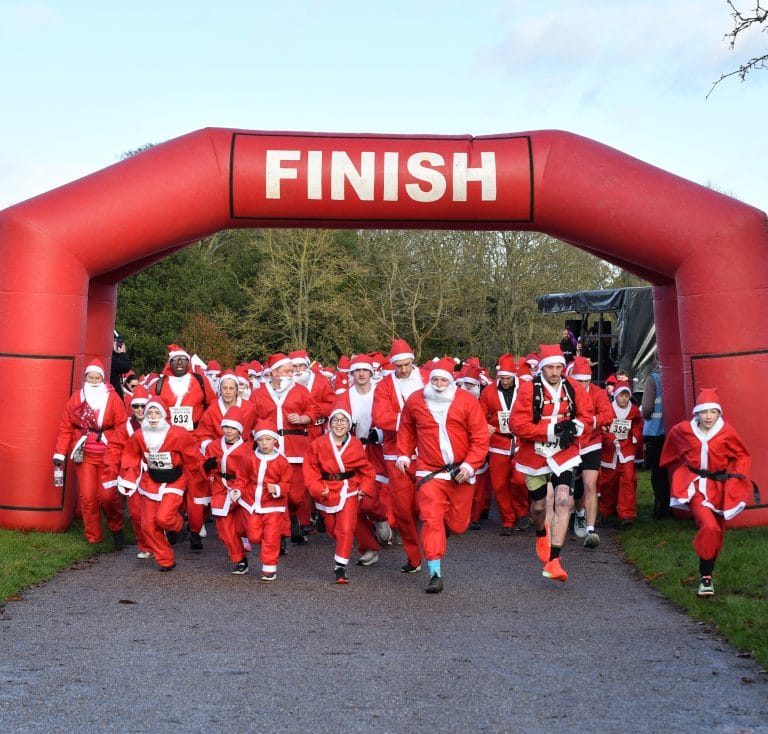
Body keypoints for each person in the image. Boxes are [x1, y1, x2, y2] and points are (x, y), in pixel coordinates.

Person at [396, 357, 490, 593]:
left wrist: (469, 466)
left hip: (461, 471)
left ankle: (444, 534)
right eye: (435, 379)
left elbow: (480, 438)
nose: (438, 384)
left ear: (451, 382)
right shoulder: (416, 400)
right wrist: (404, 454)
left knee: (459, 525)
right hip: (430, 471)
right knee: (431, 519)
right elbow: (406, 426)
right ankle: (435, 572)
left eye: (443, 380)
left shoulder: (467, 402)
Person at [660, 388, 754, 597]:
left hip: (719, 487)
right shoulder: (683, 430)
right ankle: (706, 577)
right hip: (694, 485)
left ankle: (708, 565)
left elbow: (741, 455)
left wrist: (736, 478)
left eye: (713, 412)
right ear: (697, 413)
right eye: (704, 412)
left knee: (718, 532)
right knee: (709, 527)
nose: (708, 416)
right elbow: (671, 446)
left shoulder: (726, 431)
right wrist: (669, 466)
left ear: (719, 413)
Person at [511, 344, 593, 583]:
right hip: (534, 454)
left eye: (559, 367)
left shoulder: (573, 387)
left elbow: (587, 416)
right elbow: (518, 425)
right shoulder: (528, 390)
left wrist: (574, 428)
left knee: (563, 500)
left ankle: (555, 560)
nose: (555, 372)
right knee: (538, 507)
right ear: (542, 369)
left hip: (563, 453)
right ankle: (540, 532)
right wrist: (553, 430)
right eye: (550, 367)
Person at [117, 397, 208, 572]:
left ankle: (179, 527)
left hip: (174, 480)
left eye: (157, 412)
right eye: (149, 412)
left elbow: (192, 456)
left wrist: (203, 467)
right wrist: (129, 476)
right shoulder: (139, 436)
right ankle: (166, 559)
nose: (152, 416)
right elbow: (131, 456)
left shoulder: (178, 433)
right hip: (150, 481)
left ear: (164, 414)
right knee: (147, 526)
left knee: (163, 518)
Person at [53, 358, 127, 547]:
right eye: (91, 378)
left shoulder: (113, 398)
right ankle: (93, 537)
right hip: (84, 454)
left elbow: (121, 426)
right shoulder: (77, 398)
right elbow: (66, 427)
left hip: (108, 453)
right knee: (87, 497)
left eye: (97, 378)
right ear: (85, 378)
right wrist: (59, 453)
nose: (94, 382)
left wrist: (119, 451)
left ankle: (116, 527)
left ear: (103, 380)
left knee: (107, 496)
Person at [153, 344, 217, 551]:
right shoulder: (160, 384)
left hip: (194, 439)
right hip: (169, 440)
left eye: (183, 360)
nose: (180, 363)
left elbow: (212, 406)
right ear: (169, 363)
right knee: (171, 480)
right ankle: (174, 523)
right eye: (176, 360)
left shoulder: (200, 381)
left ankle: (196, 530)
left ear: (188, 363)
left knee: (196, 484)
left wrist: (209, 435)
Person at [303, 407, 377, 584]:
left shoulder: (355, 444)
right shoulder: (318, 444)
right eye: (335, 420)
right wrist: (317, 488)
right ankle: (344, 548)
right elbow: (310, 470)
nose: (339, 424)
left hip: (348, 489)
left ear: (349, 424)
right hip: (326, 489)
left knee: (345, 528)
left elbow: (367, 469)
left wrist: (364, 489)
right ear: (330, 423)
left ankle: (340, 567)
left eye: (343, 420)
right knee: (332, 530)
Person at [251, 352, 318, 544]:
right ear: (275, 372)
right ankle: (278, 535)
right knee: (274, 493)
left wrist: (304, 418)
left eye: (292, 370)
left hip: (296, 450)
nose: (292, 373)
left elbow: (313, 410)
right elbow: (251, 418)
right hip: (270, 451)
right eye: (287, 370)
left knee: (296, 495)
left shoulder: (300, 391)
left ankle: (295, 515)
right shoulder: (259, 393)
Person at [372, 338, 425, 575]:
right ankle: (414, 556)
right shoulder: (384, 385)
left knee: (428, 505)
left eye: (406, 365)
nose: (403, 370)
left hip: (428, 452)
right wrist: (412, 421)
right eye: (398, 366)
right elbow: (380, 418)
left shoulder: (427, 378)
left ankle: (433, 545)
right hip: (396, 453)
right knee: (403, 509)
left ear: (413, 361)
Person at [203, 406, 259, 575]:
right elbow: (204, 467)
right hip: (221, 487)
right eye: (226, 427)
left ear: (240, 430)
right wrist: (206, 466)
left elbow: (253, 472)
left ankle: (244, 537)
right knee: (225, 530)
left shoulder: (247, 450)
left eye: (233, 428)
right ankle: (240, 559)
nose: (229, 431)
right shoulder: (213, 446)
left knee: (248, 525)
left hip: (242, 488)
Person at [478, 354, 529, 534]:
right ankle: (508, 520)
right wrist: (485, 426)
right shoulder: (488, 392)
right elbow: (479, 416)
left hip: (521, 442)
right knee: (499, 485)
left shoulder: (524, 389)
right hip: (498, 442)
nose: (505, 382)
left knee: (520, 481)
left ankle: (522, 511)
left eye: (508, 378)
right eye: (502, 378)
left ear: (514, 375)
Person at [102, 384, 153, 558]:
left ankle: (159, 541)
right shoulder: (125, 428)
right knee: (137, 513)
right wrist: (113, 472)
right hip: (132, 475)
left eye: (143, 406)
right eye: (136, 406)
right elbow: (114, 449)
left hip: (154, 475)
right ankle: (145, 546)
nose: (140, 410)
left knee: (155, 514)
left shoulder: (160, 424)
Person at [238, 420, 293, 581]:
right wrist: (237, 490)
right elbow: (243, 477)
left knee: (271, 537)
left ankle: (269, 567)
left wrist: (277, 489)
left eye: (268, 439)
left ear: (275, 440)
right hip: (252, 503)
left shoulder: (282, 461)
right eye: (261, 440)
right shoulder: (250, 458)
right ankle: (259, 544)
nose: (264, 443)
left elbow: (288, 483)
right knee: (254, 536)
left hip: (273, 506)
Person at [569, 356, 614, 548]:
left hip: (593, 442)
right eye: (579, 381)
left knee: (590, 484)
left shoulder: (598, 393)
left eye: (587, 381)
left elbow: (608, 414)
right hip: (571, 445)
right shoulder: (566, 392)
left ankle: (590, 530)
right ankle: (579, 513)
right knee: (577, 489)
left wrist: (592, 422)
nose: (583, 385)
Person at [598, 380, 643, 526]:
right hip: (610, 451)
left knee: (628, 479)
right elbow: (602, 427)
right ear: (615, 396)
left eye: (626, 395)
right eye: (621, 395)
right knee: (608, 481)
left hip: (626, 449)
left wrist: (636, 436)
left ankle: (627, 514)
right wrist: (610, 438)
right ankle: (606, 510)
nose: (624, 398)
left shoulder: (634, 410)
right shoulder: (608, 409)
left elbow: (638, 424)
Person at [641, 362, 671, 518]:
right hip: (671, 431)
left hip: (654, 431)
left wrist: (644, 415)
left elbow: (646, 408)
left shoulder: (653, 379)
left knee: (657, 471)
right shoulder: (673, 375)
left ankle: (660, 508)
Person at [110, 331, 132, 399]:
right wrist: (122, 353)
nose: (118, 344)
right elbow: (125, 367)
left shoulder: (113, 357)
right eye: (116, 341)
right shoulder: (110, 358)